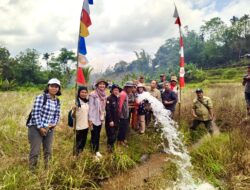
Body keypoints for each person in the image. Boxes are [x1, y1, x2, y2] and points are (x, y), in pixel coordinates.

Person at [27, 78, 61, 170]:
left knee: (48, 151)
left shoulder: (57, 101)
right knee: (35, 151)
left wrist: (53, 124)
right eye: (52, 86)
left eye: (56, 86)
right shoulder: (41, 97)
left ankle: (47, 170)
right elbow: (35, 113)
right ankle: (32, 172)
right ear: (48, 87)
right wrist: (40, 127)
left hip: (49, 129)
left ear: (59, 88)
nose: (54, 88)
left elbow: (57, 115)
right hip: (35, 127)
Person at [88, 79, 108, 159]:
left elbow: (104, 107)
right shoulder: (93, 94)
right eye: (100, 84)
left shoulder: (104, 95)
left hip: (100, 118)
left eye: (103, 84)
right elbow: (90, 107)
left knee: (97, 134)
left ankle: (95, 149)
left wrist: (103, 116)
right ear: (97, 85)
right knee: (94, 134)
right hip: (93, 118)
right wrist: (90, 119)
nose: (102, 85)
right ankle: (95, 152)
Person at [72, 86, 89, 156]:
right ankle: (76, 156)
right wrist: (74, 110)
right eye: (82, 92)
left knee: (83, 142)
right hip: (78, 126)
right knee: (78, 142)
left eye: (85, 92)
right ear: (79, 93)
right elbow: (72, 116)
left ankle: (80, 154)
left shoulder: (87, 102)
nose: (84, 94)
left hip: (86, 125)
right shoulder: (75, 102)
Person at [105, 84, 122, 152]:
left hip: (116, 120)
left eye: (117, 90)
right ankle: (109, 149)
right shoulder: (109, 98)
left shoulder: (117, 98)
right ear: (112, 90)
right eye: (115, 90)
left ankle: (112, 148)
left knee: (115, 134)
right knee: (111, 135)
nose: (116, 91)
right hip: (110, 121)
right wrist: (110, 120)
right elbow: (108, 110)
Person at [118, 81, 134, 147]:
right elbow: (120, 105)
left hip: (125, 115)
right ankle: (120, 142)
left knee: (124, 128)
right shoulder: (123, 94)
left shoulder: (125, 94)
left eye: (132, 87)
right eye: (130, 87)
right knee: (122, 129)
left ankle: (123, 139)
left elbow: (125, 105)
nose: (131, 89)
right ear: (126, 87)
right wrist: (119, 115)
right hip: (122, 116)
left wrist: (129, 107)